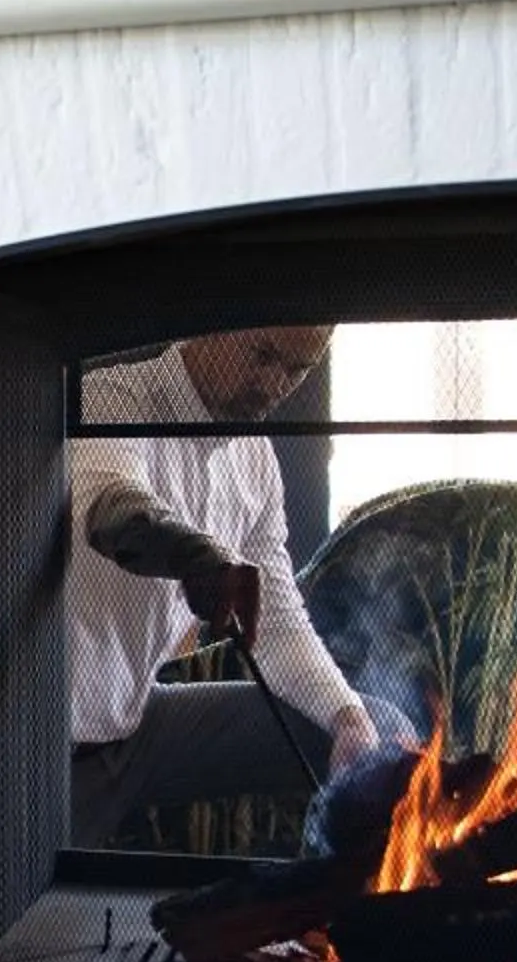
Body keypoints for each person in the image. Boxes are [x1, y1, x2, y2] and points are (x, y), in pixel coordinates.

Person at [67, 326, 414, 848]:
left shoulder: (255, 462)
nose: (273, 384)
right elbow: (109, 505)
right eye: (262, 355)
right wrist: (199, 558)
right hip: (48, 746)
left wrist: (346, 717)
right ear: (212, 330)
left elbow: (277, 623)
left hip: (136, 728)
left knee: (378, 730)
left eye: (296, 370)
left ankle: (355, 892)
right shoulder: (114, 399)